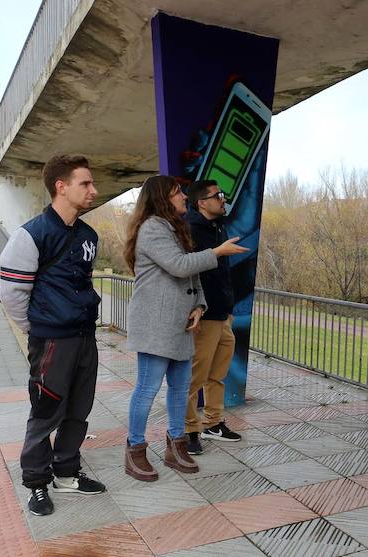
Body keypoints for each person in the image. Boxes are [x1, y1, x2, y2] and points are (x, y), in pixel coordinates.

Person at [0, 154, 106, 516]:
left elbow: (82, 283)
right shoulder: (31, 235)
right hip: (51, 342)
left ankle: (66, 473)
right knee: (46, 411)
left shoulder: (89, 236)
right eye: (85, 183)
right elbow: (12, 294)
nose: (93, 190)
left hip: (85, 338)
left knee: (79, 409)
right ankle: (36, 482)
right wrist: (36, 329)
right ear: (61, 187)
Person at [122, 175, 247, 481]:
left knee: (180, 388)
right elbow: (179, 266)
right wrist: (217, 252)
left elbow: (192, 275)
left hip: (180, 323)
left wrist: (200, 305)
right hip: (156, 324)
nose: (184, 197)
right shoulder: (152, 227)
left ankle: (176, 446)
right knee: (147, 389)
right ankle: (135, 450)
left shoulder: (174, 228)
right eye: (178, 193)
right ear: (162, 198)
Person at [183, 179, 242, 455]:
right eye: (218, 195)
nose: (223, 199)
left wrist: (228, 310)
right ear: (202, 203)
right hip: (204, 316)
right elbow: (187, 272)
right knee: (194, 378)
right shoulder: (190, 230)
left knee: (217, 375)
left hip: (223, 315)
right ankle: (188, 431)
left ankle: (213, 423)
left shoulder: (219, 227)